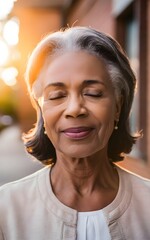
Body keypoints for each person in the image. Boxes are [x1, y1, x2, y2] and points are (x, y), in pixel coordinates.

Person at [0, 26, 150, 240]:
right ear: (42, 110)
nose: (74, 109)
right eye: (57, 95)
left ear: (118, 106)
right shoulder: (6, 209)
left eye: (93, 93)